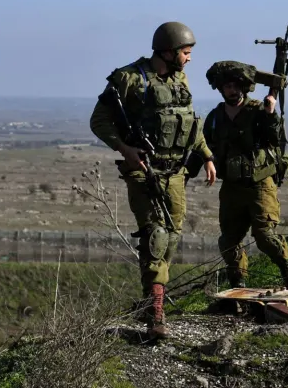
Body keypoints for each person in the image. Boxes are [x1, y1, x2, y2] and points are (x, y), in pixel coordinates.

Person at [88, 21, 217, 340]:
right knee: (156, 235)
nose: (189, 58)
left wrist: (206, 155)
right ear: (168, 52)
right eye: (185, 52)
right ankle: (156, 314)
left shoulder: (179, 79)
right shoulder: (129, 78)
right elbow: (99, 121)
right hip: (143, 169)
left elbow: (189, 121)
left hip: (176, 172)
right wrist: (124, 149)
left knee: (171, 236)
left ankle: (150, 298)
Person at [202, 60, 288, 291]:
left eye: (236, 86)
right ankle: (238, 285)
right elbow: (204, 146)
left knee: (265, 236)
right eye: (227, 87)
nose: (232, 91)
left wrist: (270, 113)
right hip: (232, 186)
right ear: (221, 89)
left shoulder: (258, 111)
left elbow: (275, 139)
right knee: (229, 241)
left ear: (244, 87)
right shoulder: (215, 118)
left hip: (259, 184)